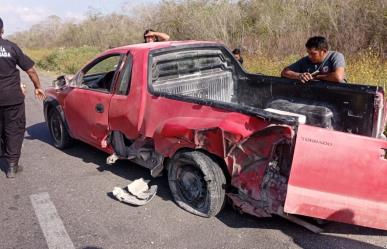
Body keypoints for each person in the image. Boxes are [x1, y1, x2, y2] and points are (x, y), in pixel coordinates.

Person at [0, 17, 46, 178]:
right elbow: (31, 70)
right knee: (14, 129)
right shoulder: (11, 47)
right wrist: (38, 87)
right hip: (12, 97)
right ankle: (12, 166)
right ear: (2, 30)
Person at [281, 36, 346, 83]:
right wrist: (299, 76)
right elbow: (285, 72)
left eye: (313, 53)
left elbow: (338, 77)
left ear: (324, 51)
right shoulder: (306, 60)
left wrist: (315, 77)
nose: (309, 56)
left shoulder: (336, 56)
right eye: (308, 53)